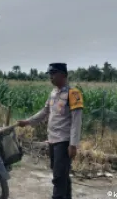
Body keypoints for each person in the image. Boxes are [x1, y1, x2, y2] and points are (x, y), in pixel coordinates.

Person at [17, 63, 83, 199]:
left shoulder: (74, 93)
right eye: (50, 74)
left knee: (58, 177)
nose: (51, 77)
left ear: (63, 75)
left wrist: (73, 144)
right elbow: (44, 111)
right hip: (52, 140)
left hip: (64, 142)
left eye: (53, 74)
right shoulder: (53, 93)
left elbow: (77, 121)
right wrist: (28, 121)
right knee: (62, 174)